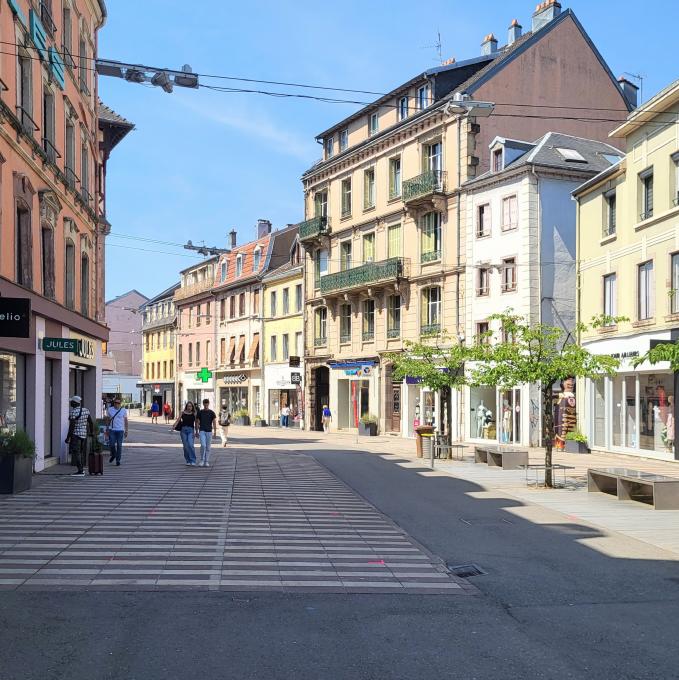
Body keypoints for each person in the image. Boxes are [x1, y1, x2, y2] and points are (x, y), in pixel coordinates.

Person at [65, 396, 93, 477]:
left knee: (76, 452)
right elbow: (90, 422)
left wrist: (68, 437)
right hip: (83, 435)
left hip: (76, 435)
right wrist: (91, 432)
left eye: (71, 402)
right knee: (80, 452)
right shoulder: (86, 410)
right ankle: (81, 469)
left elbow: (71, 426)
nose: (70, 403)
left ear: (74, 403)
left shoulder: (73, 412)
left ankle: (80, 471)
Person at [106, 397, 128, 466]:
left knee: (119, 445)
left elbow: (126, 421)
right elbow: (107, 419)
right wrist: (107, 428)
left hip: (120, 430)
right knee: (111, 444)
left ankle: (118, 460)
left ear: (120, 404)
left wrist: (126, 430)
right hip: (112, 430)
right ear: (114, 403)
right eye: (115, 403)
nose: (117, 404)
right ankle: (114, 454)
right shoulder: (110, 409)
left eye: (118, 403)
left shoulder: (123, 410)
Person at [173, 402, 197, 466]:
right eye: (188, 406)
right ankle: (188, 460)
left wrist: (196, 432)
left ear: (192, 407)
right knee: (185, 446)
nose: (189, 408)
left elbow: (196, 423)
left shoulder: (194, 414)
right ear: (186, 407)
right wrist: (174, 425)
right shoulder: (182, 413)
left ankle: (193, 460)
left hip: (191, 431)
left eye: (191, 406)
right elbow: (178, 420)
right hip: (183, 431)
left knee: (191, 445)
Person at [196, 398, 217, 467]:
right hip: (202, 430)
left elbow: (214, 422)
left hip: (209, 431)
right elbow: (197, 422)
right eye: (205, 404)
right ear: (203, 404)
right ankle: (202, 460)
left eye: (207, 404)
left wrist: (215, 432)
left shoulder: (211, 412)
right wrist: (197, 431)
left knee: (208, 447)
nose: (206, 405)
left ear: (208, 404)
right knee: (203, 445)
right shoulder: (200, 412)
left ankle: (206, 461)